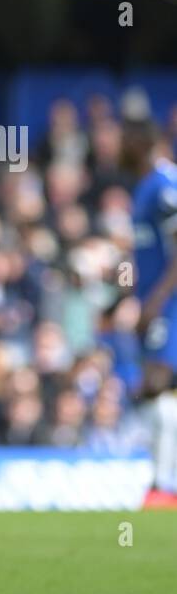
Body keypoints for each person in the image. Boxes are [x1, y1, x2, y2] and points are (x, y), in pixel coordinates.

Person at [124, 112, 177, 498]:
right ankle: (160, 483)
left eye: (124, 138)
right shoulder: (143, 187)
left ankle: (162, 488)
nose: (115, 146)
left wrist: (156, 302)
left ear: (143, 142)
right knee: (151, 392)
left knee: (160, 389)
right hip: (154, 307)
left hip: (169, 307)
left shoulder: (165, 186)